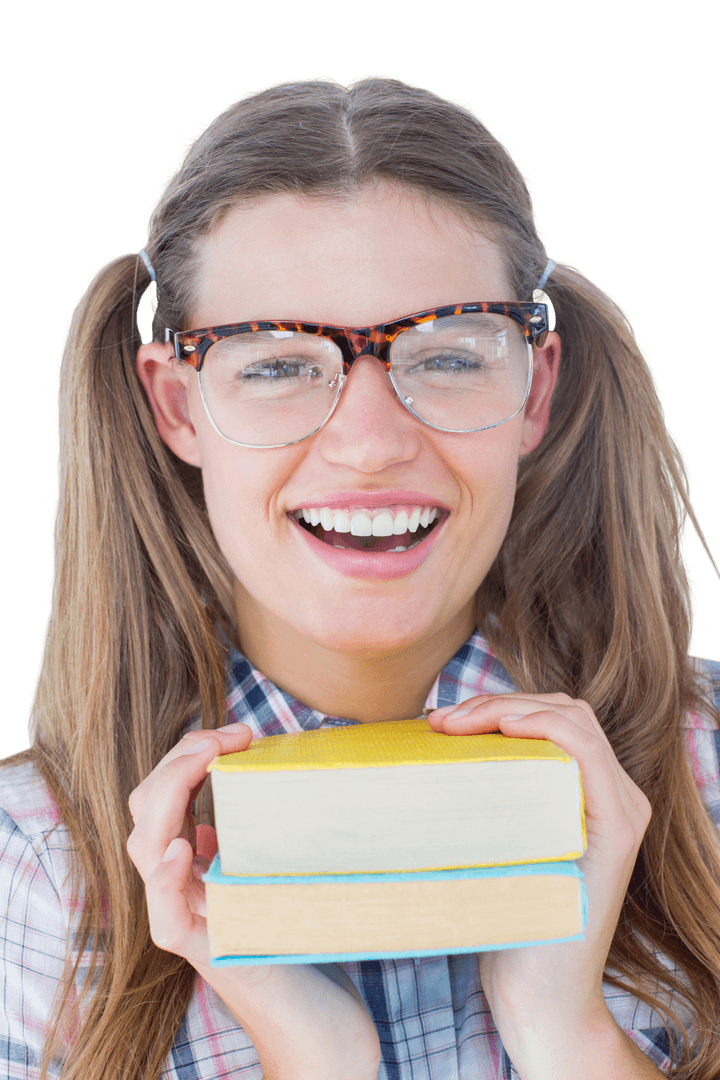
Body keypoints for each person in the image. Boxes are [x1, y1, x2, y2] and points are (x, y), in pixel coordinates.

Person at [1, 75, 718, 1080]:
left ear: (533, 390)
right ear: (176, 408)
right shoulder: (34, 869)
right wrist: (315, 1052)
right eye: (278, 365)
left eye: (447, 357)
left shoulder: (710, 768)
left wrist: (568, 1036)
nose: (372, 445)